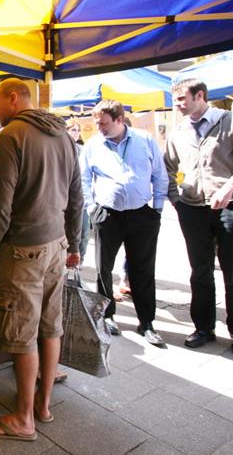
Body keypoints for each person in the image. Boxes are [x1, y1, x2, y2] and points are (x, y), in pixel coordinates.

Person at [0, 78, 82, 441]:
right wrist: (75, 243)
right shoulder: (64, 135)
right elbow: (77, 196)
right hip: (57, 244)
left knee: (22, 333)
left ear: (13, 98)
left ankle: (24, 419)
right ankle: (43, 405)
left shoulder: (11, 137)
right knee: (50, 325)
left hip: (22, 249)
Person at [164, 79, 233, 358]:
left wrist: (230, 187)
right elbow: (167, 168)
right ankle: (203, 328)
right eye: (176, 100)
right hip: (193, 209)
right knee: (200, 272)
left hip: (230, 207)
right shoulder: (178, 131)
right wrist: (176, 200)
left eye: (183, 98)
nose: (178, 104)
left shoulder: (232, 122)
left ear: (200, 95)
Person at [81, 100, 168, 346]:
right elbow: (84, 178)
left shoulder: (145, 140)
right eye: (97, 124)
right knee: (103, 269)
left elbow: (160, 174)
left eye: (104, 124)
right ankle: (107, 316)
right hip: (107, 215)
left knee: (143, 270)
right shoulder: (93, 145)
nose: (100, 128)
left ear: (120, 120)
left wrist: (157, 209)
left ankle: (147, 322)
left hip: (142, 214)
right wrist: (91, 208)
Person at [67, 118, 91, 264]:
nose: (76, 133)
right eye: (73, 130)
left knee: (84, 232)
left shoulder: (83, 150)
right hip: (67, 195)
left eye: (77, 130)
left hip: (83, 196)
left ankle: (79, 262)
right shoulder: (62, 149)